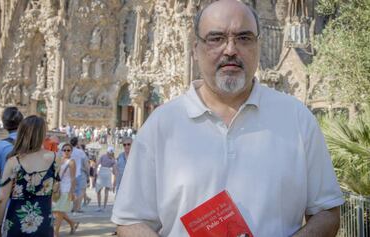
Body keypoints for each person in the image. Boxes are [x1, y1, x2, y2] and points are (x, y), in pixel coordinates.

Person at [111, 1, 344, 236]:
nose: (230, 49)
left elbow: (327, 212)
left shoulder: (297, 119)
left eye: (243, 38)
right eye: (216, 38)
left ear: (258, 45)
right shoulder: (160, 126)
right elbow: (131, 220)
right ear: (194, 49)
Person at [0, 115, 60, 237]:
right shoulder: (55, 158)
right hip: (43, 221)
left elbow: (2, 199)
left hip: (16, 222)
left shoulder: (13, 161)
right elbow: (56, 193)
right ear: (42, 134)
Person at [0, 107, 23, 237]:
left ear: (4, 124)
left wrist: (3, 183)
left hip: (2, 201)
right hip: (25, 204)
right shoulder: (32, 146)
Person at [53, 143, 79, 237]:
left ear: (71, 151)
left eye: (68, 150)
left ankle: (56, 233)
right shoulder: (59, 160)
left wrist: (72, 192)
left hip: (66, 189)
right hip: (58, 188)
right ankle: (72, 223)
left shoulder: (71, 162)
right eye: (64, 150)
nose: (66, 152)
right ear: (62, 151)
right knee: (56, 211)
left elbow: (73, 178)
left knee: (59, 211)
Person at [69, 137, 89, 213]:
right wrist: (88, 173)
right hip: (80, 173)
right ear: (77, 143)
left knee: (74, 191)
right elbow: (86, 163)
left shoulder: (69, 151)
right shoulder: (80, 152)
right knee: (81, 191)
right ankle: (78, 207)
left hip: (71, 174)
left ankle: (74, 207)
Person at [95, 146, 116, 211]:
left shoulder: (102, 156)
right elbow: (114, 171)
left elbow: (97, 164)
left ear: (107, 151)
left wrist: (95, 172)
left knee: (99, 190)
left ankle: (99, 206)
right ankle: (104, 207)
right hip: (108, 172)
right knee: (106, 191)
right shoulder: (113, 159)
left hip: (102, 172)